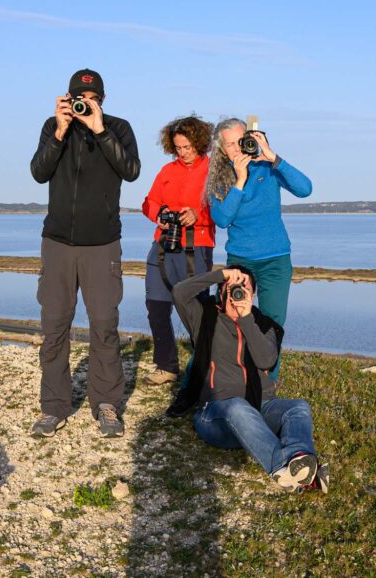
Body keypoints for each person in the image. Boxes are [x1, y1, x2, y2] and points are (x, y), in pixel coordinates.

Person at [29, 68, 140, 438]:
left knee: (104, 326)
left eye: (92, 99)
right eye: (80, 98)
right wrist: (60, 132)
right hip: (57, 243)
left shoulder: (118, 128)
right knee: (54, 326)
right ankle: (53, 407)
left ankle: (106, 404)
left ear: (102, 101)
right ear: (68, 97)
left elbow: (131, 170)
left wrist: (100, 130)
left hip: (102, 243)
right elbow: (39, 172)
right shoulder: (53, 127)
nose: (85, 104)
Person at [167, 266, 329, 492]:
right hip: (215, 414)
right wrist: (222, 275)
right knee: (238, 407)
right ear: (221, 293)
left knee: (298, 407)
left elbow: (266, 361)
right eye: (233, 288)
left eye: (245, 290)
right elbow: (179, 292)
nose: (238, 295)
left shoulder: (265, 326)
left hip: (260, 408)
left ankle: (298, 461)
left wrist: (246, 320)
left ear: (252, 296)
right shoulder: (204, 318)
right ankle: (284, 466)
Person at [205, 118, 312, 382]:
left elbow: (305, 189)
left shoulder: (268, 166)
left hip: (275, 259)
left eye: (240, 141)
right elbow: (222, 219)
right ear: (222, 151)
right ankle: (233, 378)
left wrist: (274, 157)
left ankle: (267, 386)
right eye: (229, 145)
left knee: (272, 324)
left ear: (250, 139)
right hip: (240, 261)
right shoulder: (219, 179)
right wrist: (240, 181)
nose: (236, 148)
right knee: (232, 319)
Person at [140, 116, 215, 386]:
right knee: (156, 307)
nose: (182, 153)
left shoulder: (213, 170)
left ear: (200, 143)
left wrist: (198, 215)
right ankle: (166, 367)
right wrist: (158, 214)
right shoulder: (167, 170)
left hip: (197, 247)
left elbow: (222, 210)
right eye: (178, 147)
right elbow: (148, 203)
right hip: (162, 245)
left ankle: (205, 369)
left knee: (197, 311)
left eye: (187, 147)